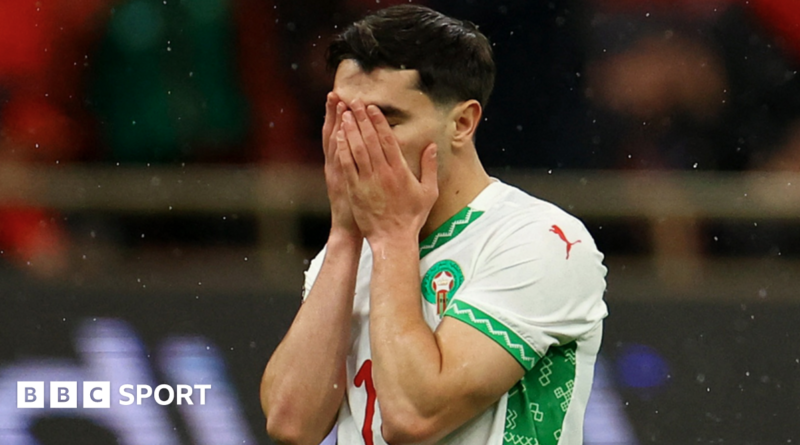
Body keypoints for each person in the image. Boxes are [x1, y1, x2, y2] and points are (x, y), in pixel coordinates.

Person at [260, 5, 608, 445]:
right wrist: (345, 235)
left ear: (462, 123)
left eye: (385, 120)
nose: (357, 142)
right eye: (344, 118)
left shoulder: (541, 240)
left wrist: (391, 238)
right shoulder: (350, 251)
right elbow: (291, 423)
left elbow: (414, 416)